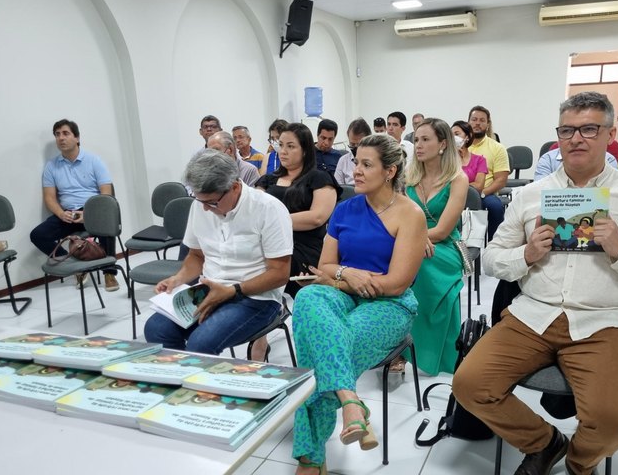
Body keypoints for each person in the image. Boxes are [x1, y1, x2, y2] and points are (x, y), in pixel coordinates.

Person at [452, 92, 618, 475]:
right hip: (533, 316)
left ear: (609, 134)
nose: (576, 138)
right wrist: (525, 255)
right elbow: (492, 258)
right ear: (558, 136)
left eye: (589, 129)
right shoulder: (531, 195)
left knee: (611, 424)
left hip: (604, 321)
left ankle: (579, 463)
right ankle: (545, 443)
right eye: (567, 130)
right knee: (469, 385)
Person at [291, 134, 427, 475]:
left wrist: (345, 278)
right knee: (307, 296)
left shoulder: (410, 214)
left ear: (390, 171)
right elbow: (324, 268)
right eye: (356, 163)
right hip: (343, 290)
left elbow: (397, 282)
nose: (357, 171)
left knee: (323, 349)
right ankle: (350, 402)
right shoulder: (345, 209)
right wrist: (347, 275)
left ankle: (311, 456)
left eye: (367, 165)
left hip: (391, 304)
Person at [143, 150, 293, 357]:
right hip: (209, 289)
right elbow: (196, 256)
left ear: (234, 186)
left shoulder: (268, 209)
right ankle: (183, 384)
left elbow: (279, 273)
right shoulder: (201, 205)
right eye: (200, 201)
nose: (205, 209)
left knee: (200, 344)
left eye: (212, 202)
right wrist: (177, 279)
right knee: (156, 330)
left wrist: (232, 291)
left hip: (255, 297)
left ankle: (203, 387)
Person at [253, 123, 340, 361]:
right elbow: (254, 212)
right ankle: (260, 337)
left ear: (305, 150)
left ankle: (272, 331)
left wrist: (274, 221)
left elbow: (317, 217)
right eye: (281, 145)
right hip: (270, 246)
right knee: (253, 270)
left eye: (291, 146)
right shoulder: (268, 179)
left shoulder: (319, 178)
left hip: (305, 248)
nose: (283, 151)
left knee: (264, 273)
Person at [390, 118, 468, 375]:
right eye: (417, 140)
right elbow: (398, 217)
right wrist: (412, 240)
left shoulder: (458, 179)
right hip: (413, 242)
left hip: (446, 246)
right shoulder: (409, 177)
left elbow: (444, 229)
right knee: (395, 259)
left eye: (426, 140)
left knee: (419, 262)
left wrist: (414, 240)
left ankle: (412, 351)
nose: (419, 145)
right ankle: (391, 342)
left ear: (443, 144)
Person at [30, 119, 119, 292]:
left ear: (77, 138)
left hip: (93, 212)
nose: (61, 138)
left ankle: (109, 272)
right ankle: (77, 267)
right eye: (57, 134)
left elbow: (106, 193)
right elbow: (49, 198)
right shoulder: (51, 166)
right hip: (68, 214)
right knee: (38, 235)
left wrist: (89, 215)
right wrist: (61, 213)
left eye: (65, 133)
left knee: (107, 224)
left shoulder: (94, 161)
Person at [468, 105, 509, 240]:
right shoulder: (460, 147)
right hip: (459, 192)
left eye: (482, 120)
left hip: (486, 194)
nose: (477, 123)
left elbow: (501, 180)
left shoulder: (497, 148)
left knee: (496, 207)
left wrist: (482, 193)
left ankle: (494, 245)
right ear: (468, 122)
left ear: (487, 124)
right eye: (474, 119)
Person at [535, 147, 618, 181]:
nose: (576, 139)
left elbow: (613, 193)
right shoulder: (547, 159)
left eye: (587, 130)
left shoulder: (608, 159)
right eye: (567, 131)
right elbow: (539, 193)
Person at [452, 120, 488, 193]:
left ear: (468, 136)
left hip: (471, 197)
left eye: (457, 134)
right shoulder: (446, 159)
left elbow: (479, 186)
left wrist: (457, 186)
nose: (453, 138)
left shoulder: (480, 160)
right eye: (451, 135)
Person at [334, 118, 371, 186]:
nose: (356, 148)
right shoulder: (343, 161)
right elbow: (338, 188)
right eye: (352, 144)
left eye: (359, 144)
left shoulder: (376, 161)